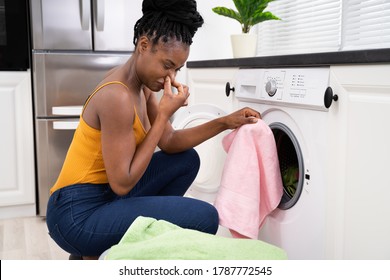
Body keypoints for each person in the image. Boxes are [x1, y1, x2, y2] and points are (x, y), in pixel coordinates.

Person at [46, 0, 261, 260]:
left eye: (177, 69)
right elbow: (123, 183)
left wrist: (226, 121)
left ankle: (115, 240)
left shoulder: (143, 86)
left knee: (185, 159)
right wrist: (163, 116)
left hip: (105, 196)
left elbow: (169, 141)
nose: (170, 77)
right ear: (144, 45)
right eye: (167, 65)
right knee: (205, 217)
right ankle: (97, 245)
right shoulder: (118, 96)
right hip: (76, 214)